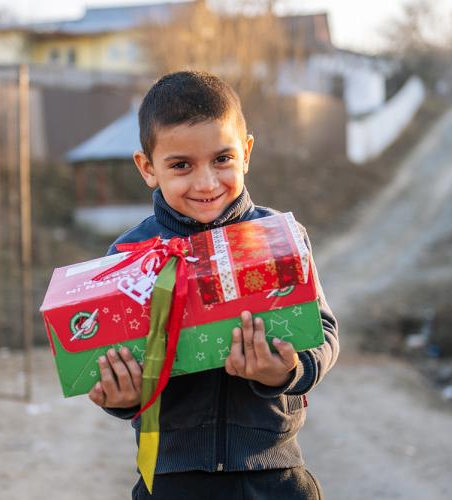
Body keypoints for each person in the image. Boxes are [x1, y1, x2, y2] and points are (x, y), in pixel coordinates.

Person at [88, 71, 339, 499]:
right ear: (148, 168)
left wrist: (288, 369)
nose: (206, 182)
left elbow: (325, 334)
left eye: (222, 159)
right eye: (181, 165)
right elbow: (115, 364)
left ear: (246, 153)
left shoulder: (278, 238)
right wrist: (121, 395)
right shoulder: (129, 257)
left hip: (273, 475)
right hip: (171, 480)